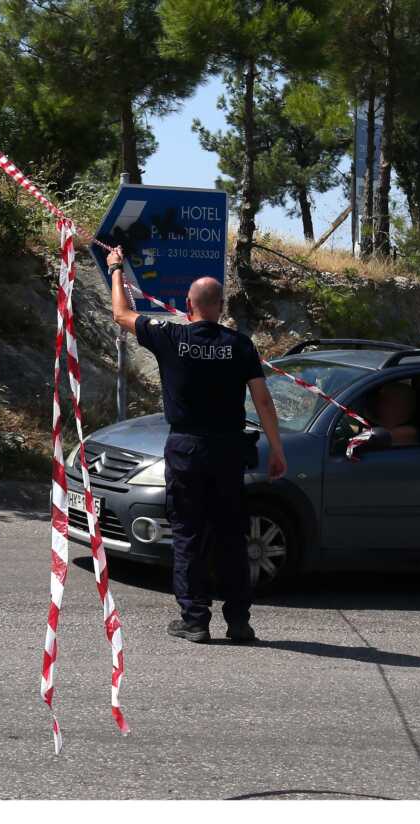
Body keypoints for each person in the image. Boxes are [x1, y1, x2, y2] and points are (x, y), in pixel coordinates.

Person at [107, 245, 287, 645]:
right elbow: (263, 400)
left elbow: (122, 314)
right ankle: (238, 622)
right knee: (230, 535)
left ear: (188, 304)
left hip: (187, 449)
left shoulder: (170, 335)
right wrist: (277, 448)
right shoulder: (240, 345)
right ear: (220, 307)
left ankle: (195, 619)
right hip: (227, 451)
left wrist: (116, 268)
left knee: (188, 533)